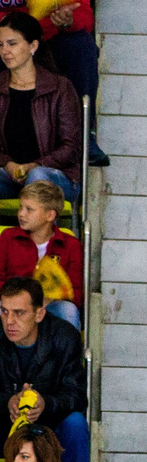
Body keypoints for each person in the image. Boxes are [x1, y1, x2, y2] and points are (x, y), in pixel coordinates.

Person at [0, 279, 80, 462]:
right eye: (4, 311)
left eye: (19, 313)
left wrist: (46, 404)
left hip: (49, 424)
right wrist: (7, 401)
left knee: (76, 423)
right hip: (4, 421)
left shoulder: (64, 337)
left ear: (39, 314)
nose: (9, 321)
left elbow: (76, 394)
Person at [0, 17, 70, 202]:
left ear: (33, 46)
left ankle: (37, 231)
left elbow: (71, 148)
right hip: (9, 176)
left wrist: (35, 166)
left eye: (12, 44)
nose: (4, 51)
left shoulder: (59, 87)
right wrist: (8, 164)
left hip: (54, 177)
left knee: (38, 178)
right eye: (0, 45)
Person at [0, 179, 79, 331]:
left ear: (50, 215)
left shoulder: (71, 245)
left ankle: (68, 355)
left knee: (68, 310)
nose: (21, 214)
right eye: (20, 208)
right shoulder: (7, 237)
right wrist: (20, 299)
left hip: (49, 304)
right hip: (11, 302)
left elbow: (76, 292)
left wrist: (53, 296)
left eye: (29, 209)